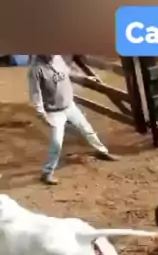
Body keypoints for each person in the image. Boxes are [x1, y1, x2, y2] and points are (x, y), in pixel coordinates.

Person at [28, 55, 119, 185]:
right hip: (54, 112)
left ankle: (102, 152)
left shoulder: (58, 58)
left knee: (87, 129)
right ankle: (47, 173)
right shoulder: (36, 69)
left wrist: (84, 78)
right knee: (57, 143)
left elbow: (68, 73)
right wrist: (41, 114)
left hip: (70, 106)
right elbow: (35, 94)